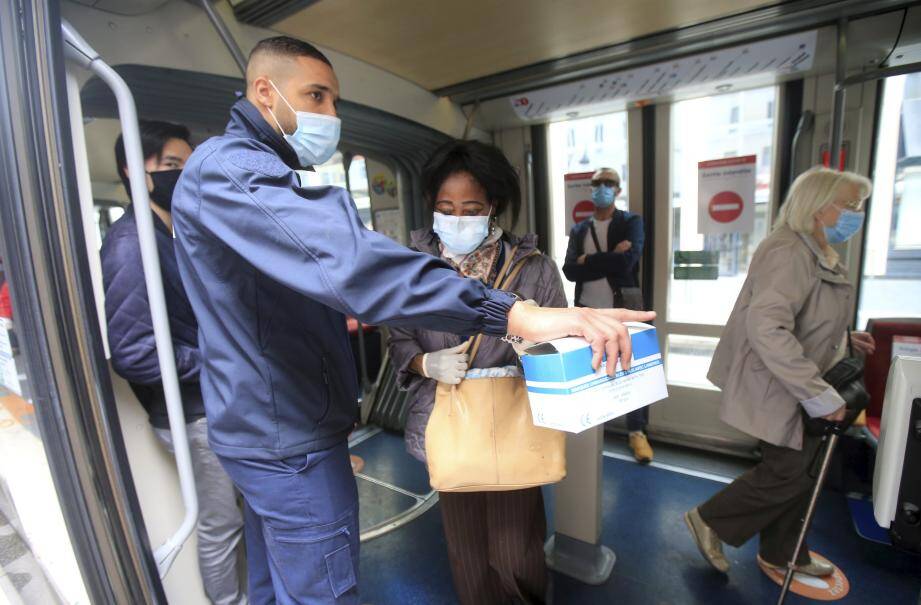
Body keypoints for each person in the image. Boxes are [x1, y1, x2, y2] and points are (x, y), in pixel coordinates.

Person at [171, 36, 654, 605]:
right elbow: (355, 269)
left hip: (304, 425)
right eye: (316, 96)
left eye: (333, 101)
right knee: (350, 582)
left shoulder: (532, 263)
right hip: (293, 433)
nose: (331, 116)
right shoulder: (234, 174)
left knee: (514, 547)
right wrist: (512, 317)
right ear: (263, 91)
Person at [388, 140, 566, 605]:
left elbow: (559, 345)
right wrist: (424, 362)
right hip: (445, 420)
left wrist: (526, 343)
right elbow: (399, 338)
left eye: (470, 207)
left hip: (512, 420)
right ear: (432, 206)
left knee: (516, 550)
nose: (457, 218)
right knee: (466, 548)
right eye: (446, 207)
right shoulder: (410, 269)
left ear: (493, 206)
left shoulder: (535, 269)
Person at [684, 167, 876, 577]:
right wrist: (819, 396)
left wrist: (845, 339)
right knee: (789, 472)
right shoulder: (789, 251)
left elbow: (806, 316)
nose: (855, 214)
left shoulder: (817, 251)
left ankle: (783, 552)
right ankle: (710, 519)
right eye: (849, 204)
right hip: (780, 384)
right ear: (818, 205)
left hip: (796, 381)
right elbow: (768, 327)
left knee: (801, 472)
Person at [100, 121, 246, 605]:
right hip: (192, 413)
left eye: (187, 165)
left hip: (215, 402)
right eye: (170, 166)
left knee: (242, 515)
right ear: (133, 173)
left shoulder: (176, 231)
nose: (182, 176)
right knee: (221, 522)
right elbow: (135, 353)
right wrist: (216, 360)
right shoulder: (130, 243)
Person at [562, 167, 654, 463]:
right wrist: (609, 257)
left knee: (633, 369)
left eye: (608, 183)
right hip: (587, 311)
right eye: (597, 183)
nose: (602, 187)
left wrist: (588, 260)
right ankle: (590, 429)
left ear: (618, 189)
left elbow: (627, 263)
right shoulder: (579, 229)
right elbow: (569, 270)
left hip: (624, 307)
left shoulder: (631, 222)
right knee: (590, 367)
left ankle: (636, 433)